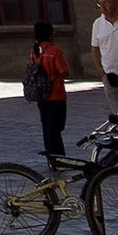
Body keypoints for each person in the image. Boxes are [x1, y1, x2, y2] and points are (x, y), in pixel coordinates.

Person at [28, 20, 71, 161]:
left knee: (46, 127)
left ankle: (51, 156)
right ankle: (59, 157)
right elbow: (64, 71)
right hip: (56, 95)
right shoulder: (54, 51)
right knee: (56, 128)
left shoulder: (34, 52)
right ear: (50, 35)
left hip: (41, 95)